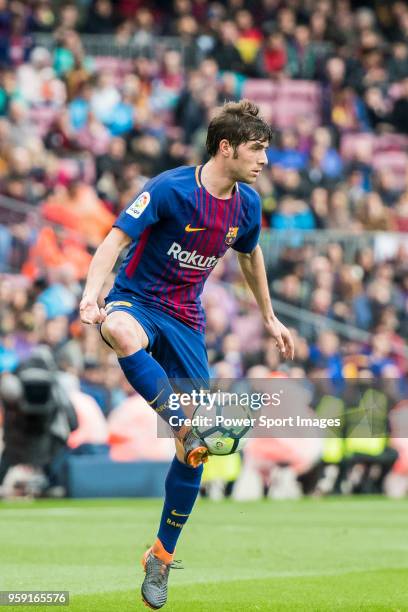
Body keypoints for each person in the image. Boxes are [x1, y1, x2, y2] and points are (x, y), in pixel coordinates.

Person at [79, 100, 295, 609]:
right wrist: (93, 294)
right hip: (138, 301)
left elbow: (251, 254)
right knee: (117, 329)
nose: (264, 159)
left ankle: (160, 555)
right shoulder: (170, 188)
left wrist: (268, 315)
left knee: (192, 451)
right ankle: (181, 419)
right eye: (257, 149)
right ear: (227, 147)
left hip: (186, 322)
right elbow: (114, 240)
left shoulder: (247, 205)